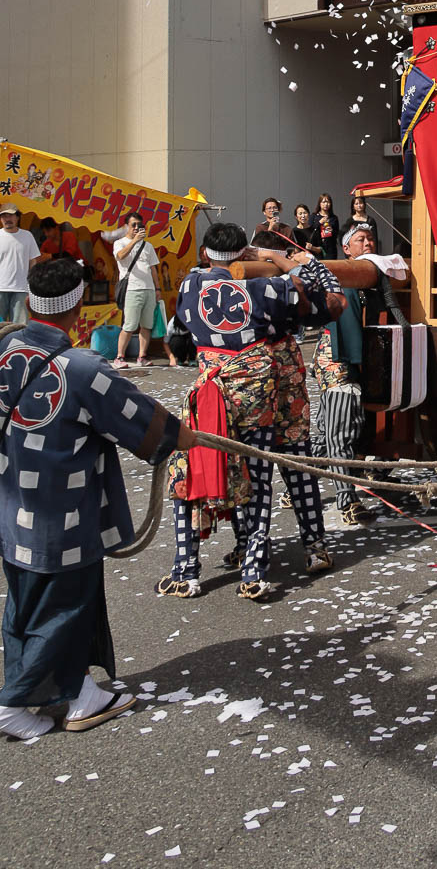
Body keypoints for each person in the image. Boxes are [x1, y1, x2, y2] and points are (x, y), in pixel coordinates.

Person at [0, 257, 190, 739]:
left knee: (27, 606)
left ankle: (78, 691)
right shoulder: (82, 368)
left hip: (11, 505)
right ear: (78, 304)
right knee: (63, 607)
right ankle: (12, 702)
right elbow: (140, 420)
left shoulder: (4, 349)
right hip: (61, 513)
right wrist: (180, 436)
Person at [157, 223, 332, 602]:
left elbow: (183, 320)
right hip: (259, 393)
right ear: (244, 253)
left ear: (207, 253)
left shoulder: (191, 285)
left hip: (211, 393)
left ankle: (186, 570)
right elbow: (317, 287)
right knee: (264, 476)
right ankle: (260, 566)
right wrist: (276, 259)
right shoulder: (266, 288)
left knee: (188, 471)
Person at [310, 222, 401, 526]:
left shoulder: (375, 274)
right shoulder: (337, 273)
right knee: (341, 434)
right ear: (347, 248)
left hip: (359, 361)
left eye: (371, 238)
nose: (368, 243)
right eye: (361, 239)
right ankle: (347, 501)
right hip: (336, 360)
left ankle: (297, 483)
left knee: (329, 434)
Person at [106, 212, 163, 369]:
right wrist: (134, 241)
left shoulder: (148, 246)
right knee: (129, 325)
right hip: (132, 289)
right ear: (126, 227)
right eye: (134, 225)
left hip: (149, 289)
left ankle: (142, 356)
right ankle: (119, 357)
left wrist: (157, 288)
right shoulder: (120, 243)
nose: (137, 228)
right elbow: (120, 256)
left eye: (140, 225)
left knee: (146, 325)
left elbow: (153, 268)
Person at [0, 204, 41, 326]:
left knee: (19, 327)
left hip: (21, 288)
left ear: (17, 217)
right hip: (0, 288)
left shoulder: (27, 236)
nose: (7, 219)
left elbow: (33, 261)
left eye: (11, 215)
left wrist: (31, 284)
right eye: (4, 216)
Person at [309, 194, 341, 258]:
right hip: (316, 248)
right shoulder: (314, 216)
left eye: (328, 202)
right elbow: (310, 230)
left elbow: (337, 233)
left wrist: (332, 230)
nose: (326, 204)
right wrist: (319, 222)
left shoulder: (334, 218)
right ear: (319, 204)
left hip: (330, 248)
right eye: (323, 202)